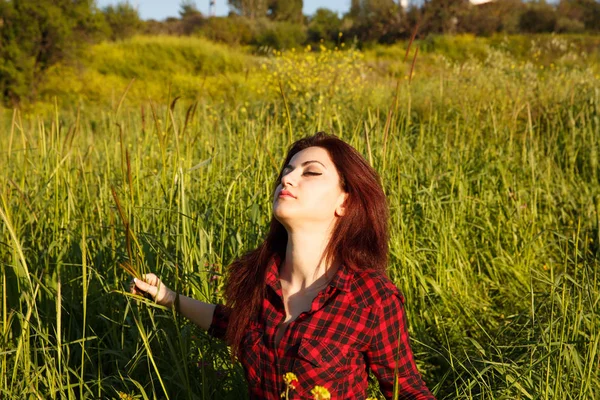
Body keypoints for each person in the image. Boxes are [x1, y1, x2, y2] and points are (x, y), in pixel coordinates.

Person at [131, 132, 435, 399]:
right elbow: (233, 324)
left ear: (344, 202)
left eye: (311, 172)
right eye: (287, 171)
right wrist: (167, 297)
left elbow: (405, 388)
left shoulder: (370, 297)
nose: (287, 179)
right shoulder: (260, 278)